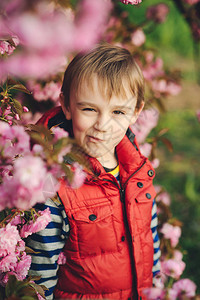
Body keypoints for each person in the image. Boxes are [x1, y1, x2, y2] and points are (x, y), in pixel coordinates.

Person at [27, 43, 161, 300]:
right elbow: (40, 276)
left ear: (136, 112)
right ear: (66, 105)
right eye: (89, 109)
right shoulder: (54, 185)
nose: (102, 125)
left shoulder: (139, 173)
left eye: (118, 112)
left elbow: (150, 240)